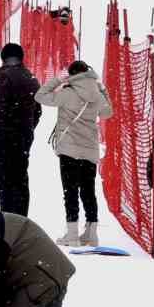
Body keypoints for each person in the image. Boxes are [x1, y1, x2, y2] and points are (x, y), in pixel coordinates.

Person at [36, 60, 114, 247]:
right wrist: (103, 90)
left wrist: (57, 80)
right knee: (88, 191)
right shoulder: (96, 95)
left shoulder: (67, 93)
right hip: (89, 150)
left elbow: (40, 96)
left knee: (70, 191)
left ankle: (72, 234)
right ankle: (91, 233)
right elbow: (107, 113)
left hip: (69, 149)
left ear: (71, 74)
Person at [0, 43, 42, 216]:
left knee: (5, 182)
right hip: (24, 136)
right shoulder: (31, 77)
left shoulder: (4, 76)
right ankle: (21, 220)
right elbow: (38, 110)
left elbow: (0, 108)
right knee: (20, 179)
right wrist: (27, 128)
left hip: (5, 136)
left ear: (3, 58)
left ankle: (8, 221)